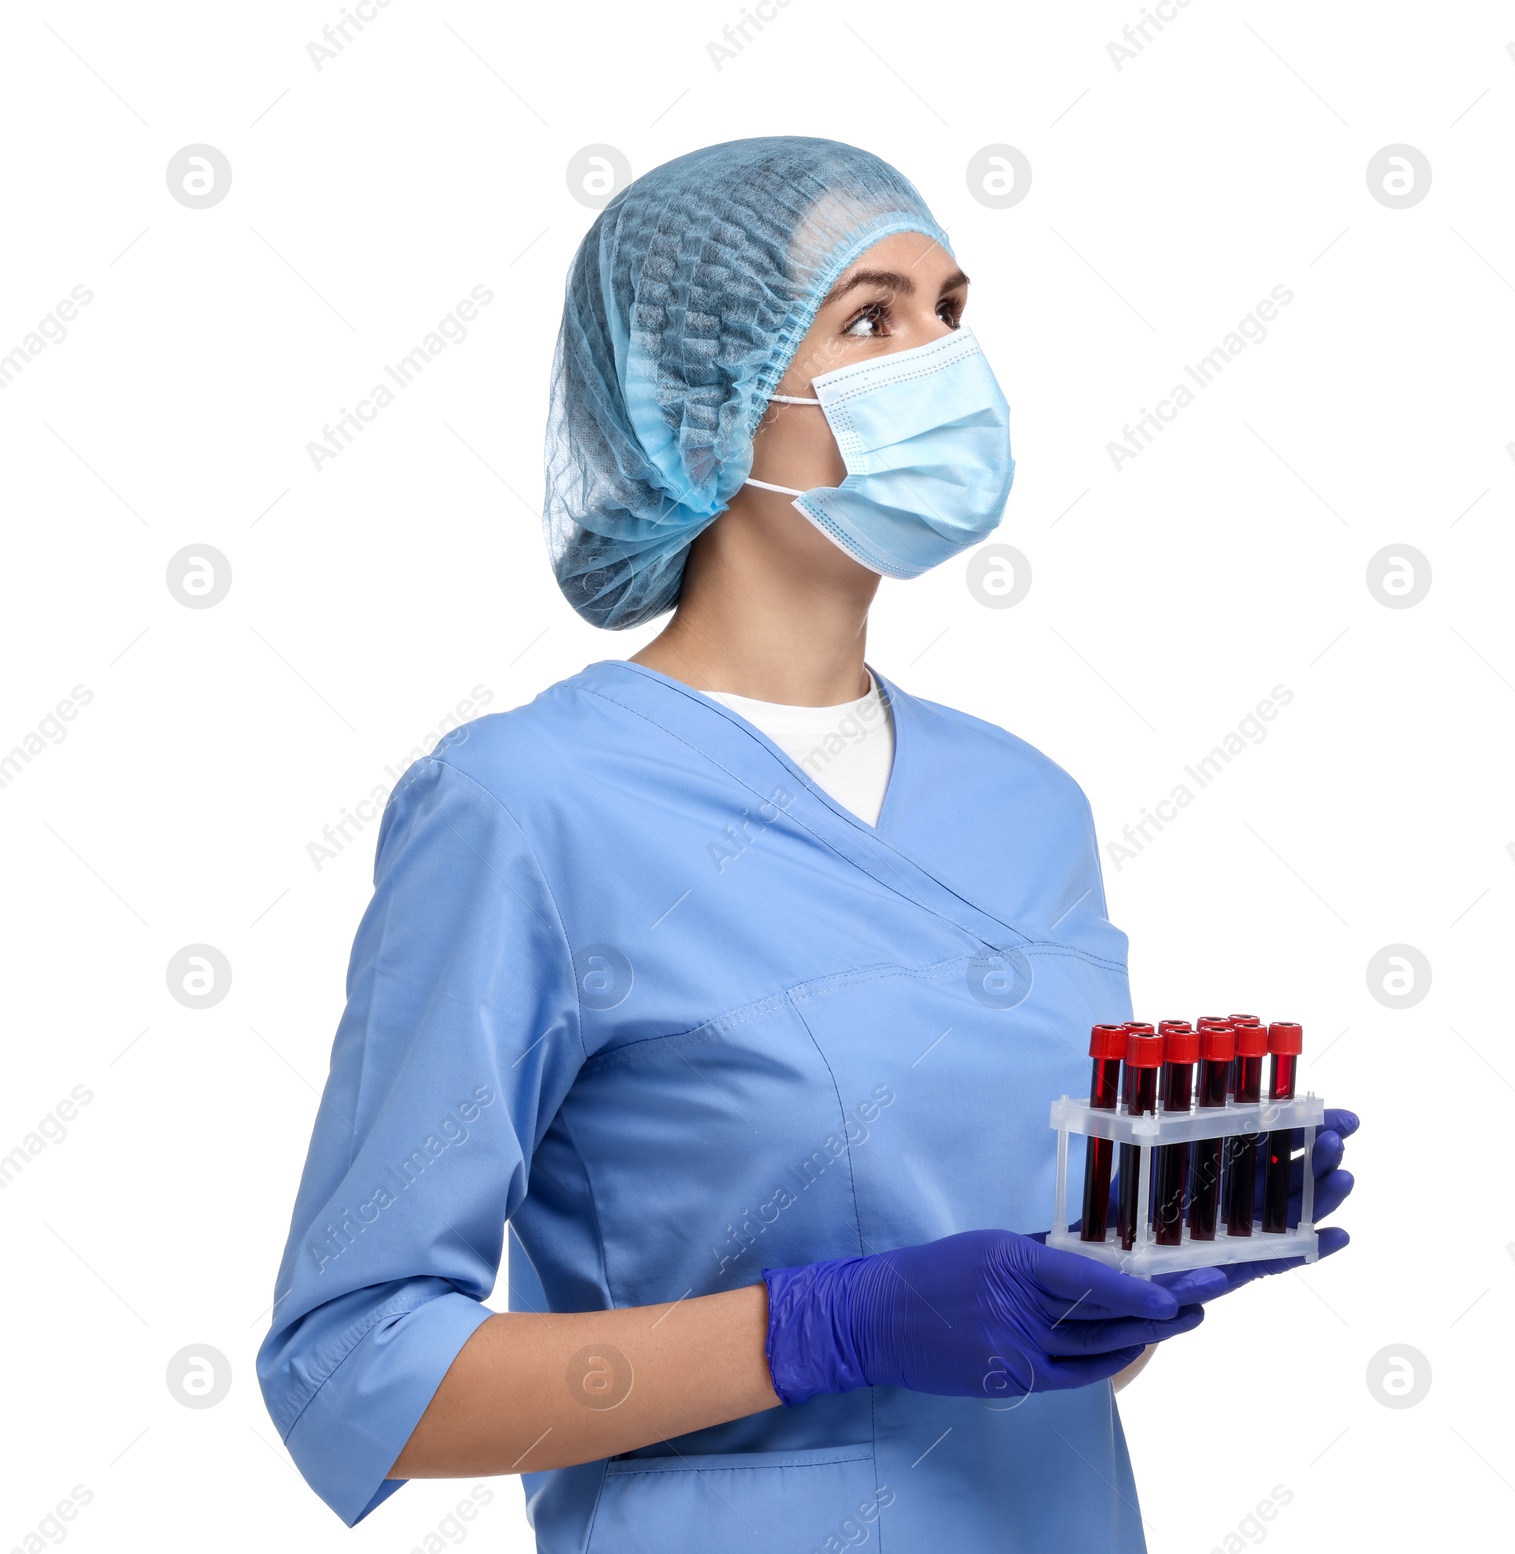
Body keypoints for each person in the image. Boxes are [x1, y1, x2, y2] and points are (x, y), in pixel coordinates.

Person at [258, 136, 1356, 1552]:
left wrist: (1150, 1261)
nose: (940, 360)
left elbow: (1016, 1320)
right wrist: (823, 1326)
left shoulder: (1027, 803)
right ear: (697, 396)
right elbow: (353, 1368)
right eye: (871, 317)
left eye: (951, 311)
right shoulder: (529, 801)